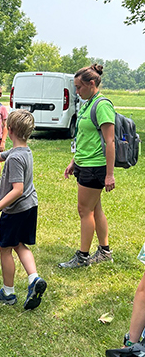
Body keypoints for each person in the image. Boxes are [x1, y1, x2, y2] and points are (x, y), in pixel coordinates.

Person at [0, 109, 47, 310]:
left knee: (5, 249)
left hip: (15, 210)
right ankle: (34, 278)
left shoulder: (15, 158)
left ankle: (8, 293)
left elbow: (17, 189)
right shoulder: (23, 151)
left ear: (10, 129)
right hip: (29, 206)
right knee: (20, 244)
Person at [58, 64, 115, 268]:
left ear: (92, 84)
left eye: (79, 87)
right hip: (84, 163)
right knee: (94, 208)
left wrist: (109, 174)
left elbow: (110, 141)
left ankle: (82, 257)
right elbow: (83, 137)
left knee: (84, 210)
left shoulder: (102, 105)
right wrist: (74, 161)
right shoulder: (88, 103)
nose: (76, 91)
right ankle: (104, 251)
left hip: (95, 166)